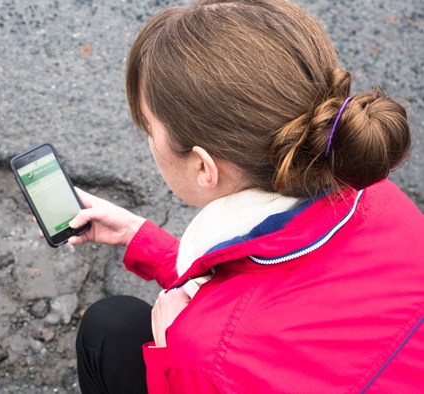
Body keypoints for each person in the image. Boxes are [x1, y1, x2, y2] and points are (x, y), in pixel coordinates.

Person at [67, 0, 424, 392]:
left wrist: (172, 361)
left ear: (204, 167)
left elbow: (242, 337)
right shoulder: (378, 196)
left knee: (109, 327)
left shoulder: (208, 355)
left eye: (149, 129)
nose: (149, 141)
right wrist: (142, 239)